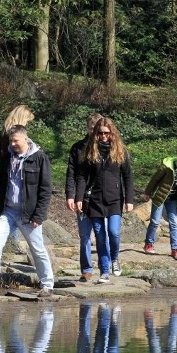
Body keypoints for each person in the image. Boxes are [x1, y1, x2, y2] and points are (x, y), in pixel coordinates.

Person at [0, 124, 55, 296]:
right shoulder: (7, 156)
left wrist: (39, 214)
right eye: (11, 141)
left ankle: (47, 285)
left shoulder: (39, 157)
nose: (13, 144)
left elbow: (45, 189)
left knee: (37, 249)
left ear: (25, 138)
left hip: (29, 214)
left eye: (15, 141)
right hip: (7, 211)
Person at [76, 117, 135, 283]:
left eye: (107, 133)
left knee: (114, 232)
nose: (103, 136)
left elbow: (128, 176)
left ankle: (115, 258)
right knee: (100, 236)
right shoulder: (89, 151)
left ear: (112, 133)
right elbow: (82, 176)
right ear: (96, 134)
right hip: (94, 200)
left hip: (114, 199)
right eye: (100, 133)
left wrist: (129, 200)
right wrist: (79, 197)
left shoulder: (120, 151)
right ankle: (104, 271)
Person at [66, 113, 105, 281]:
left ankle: (105, 267)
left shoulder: (109, 148)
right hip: (82, 196)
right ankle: (86, 269)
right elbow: (71, 173)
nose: (94, 133)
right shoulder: (78, 148)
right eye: (91, 129)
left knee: (102, 234)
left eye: (96, 130)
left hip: (102, 197)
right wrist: (70, 195)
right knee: (84, 235)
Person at [143, 147, 177, 260]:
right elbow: (154, 179)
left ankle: (175, 249)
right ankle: (148, 243)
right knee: (155, 221)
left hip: (173, 199)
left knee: (174, 223)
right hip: (160, 197)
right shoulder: (167, 167)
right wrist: (147, 192)